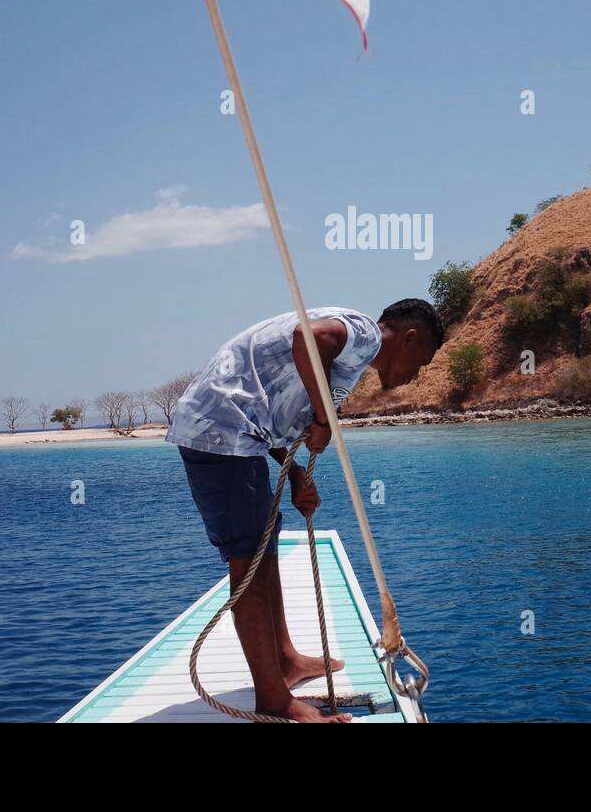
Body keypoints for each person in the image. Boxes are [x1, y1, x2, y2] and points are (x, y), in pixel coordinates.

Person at [166, 298, 444, 722]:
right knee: (249, 563)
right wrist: (322, 415)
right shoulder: (364, 335)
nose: (417, 373)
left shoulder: (353, 352)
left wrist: (294, 474)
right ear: (408, 338)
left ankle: (284, 660)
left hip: (238, 436)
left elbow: (268, 407)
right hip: (220, 434)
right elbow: (307, 337)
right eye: (421, 361)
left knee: (264, 548)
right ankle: (274, 701)